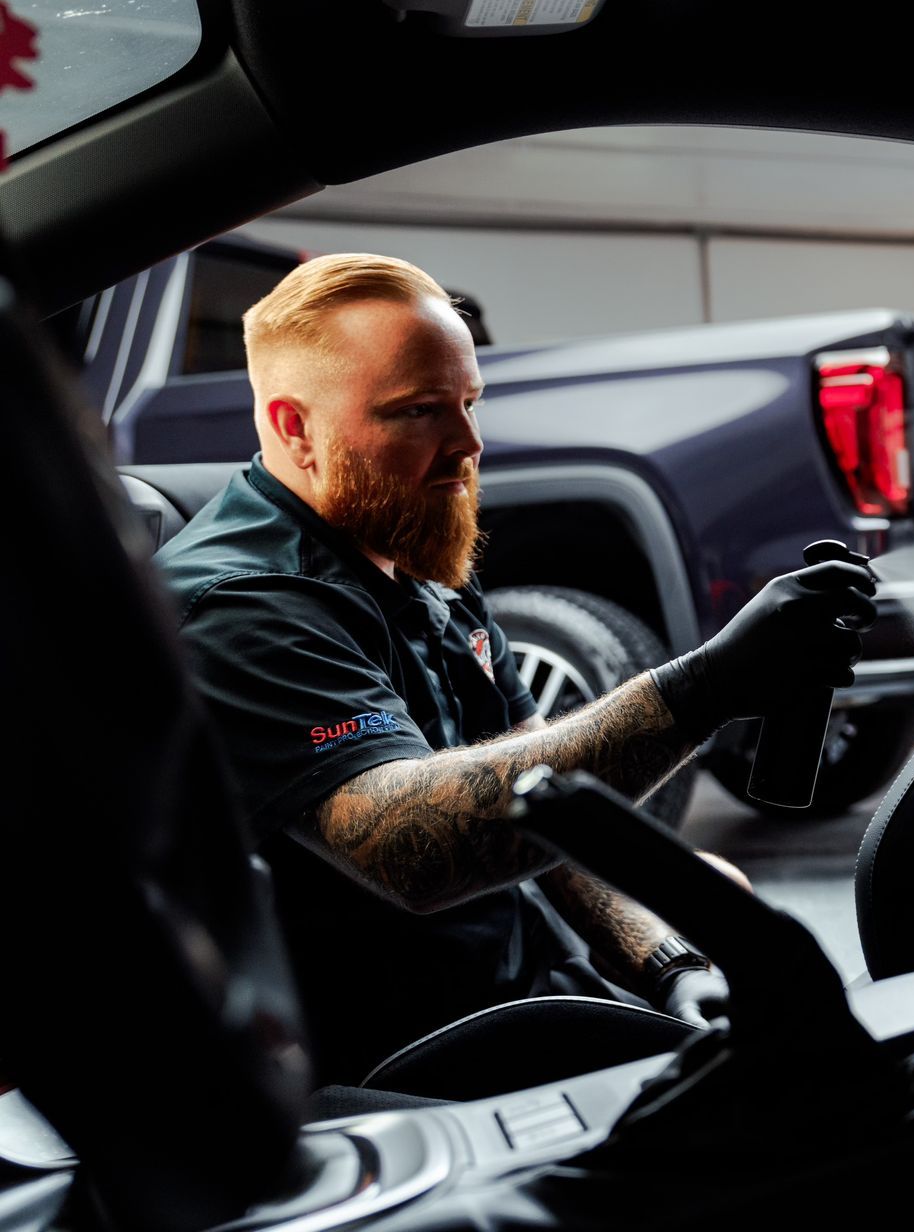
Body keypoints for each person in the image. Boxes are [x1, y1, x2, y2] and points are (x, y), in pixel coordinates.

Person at [155, 253, 877, 1084]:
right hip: (403, 1056)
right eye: (421, 411)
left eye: (469, 403)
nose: (468, 445)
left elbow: (551, 814)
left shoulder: (408, 553)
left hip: (524, 978)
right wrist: (708, 687)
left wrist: (671, 963)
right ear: (293, 428)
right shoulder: (245, 608)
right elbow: (411, 851)